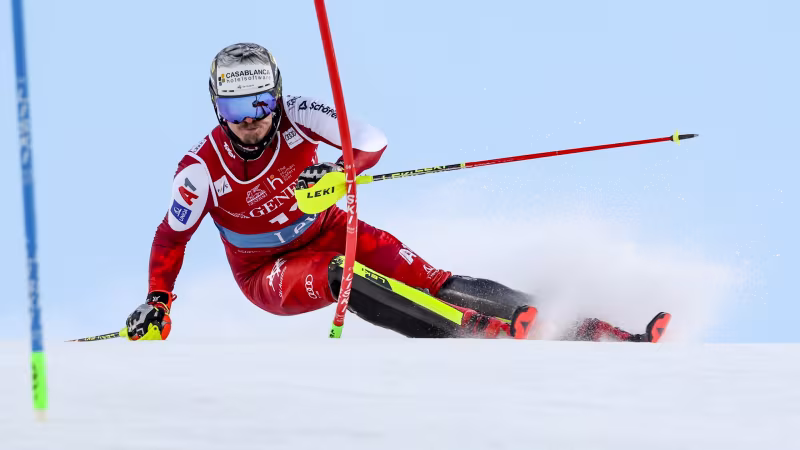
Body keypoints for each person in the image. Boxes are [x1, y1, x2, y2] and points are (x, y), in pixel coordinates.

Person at [124, 43, 669, 342]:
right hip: (267, 273)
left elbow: (371, 140)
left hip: (327, 228)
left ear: (278, 97)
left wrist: (339, 171)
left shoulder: (298, 115)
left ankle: (598, 330)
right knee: (345, 277)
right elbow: (171, 239)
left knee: (434, 280)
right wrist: (157, 302)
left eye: (261, 105)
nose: (251, 123)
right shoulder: (201, 170)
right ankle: (478, 335)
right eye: (236, 111)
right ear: (217, 108)